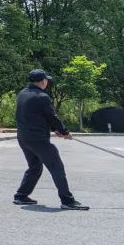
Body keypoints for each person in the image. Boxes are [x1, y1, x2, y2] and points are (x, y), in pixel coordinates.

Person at [13, 69, 87, 210]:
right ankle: (67, 201)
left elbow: (36, 116)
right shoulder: (42, 97)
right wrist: (64, 131)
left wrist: (55, 130)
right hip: (39, 140)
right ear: (42, 81)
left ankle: (21, 196)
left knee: (34, 167)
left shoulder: (22, 93)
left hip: (24, 138)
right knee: (57, 168)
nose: (47, 82)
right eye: (46, 80)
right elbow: (52, 117)